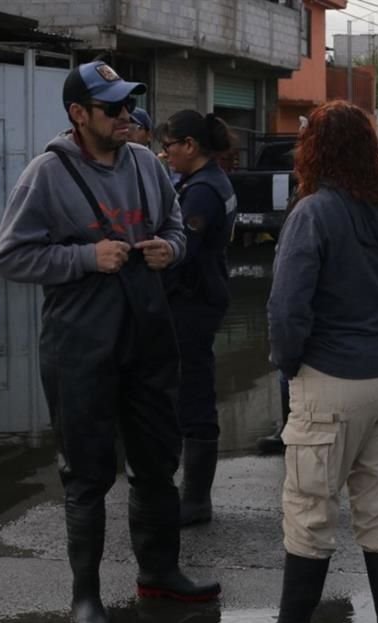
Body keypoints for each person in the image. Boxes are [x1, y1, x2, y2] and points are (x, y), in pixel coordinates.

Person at [0, 61, 220, 623]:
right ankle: (86, 597)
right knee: (87, 473)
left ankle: (160, 572)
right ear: (78, 114)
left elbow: (174, 226)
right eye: (112, 108)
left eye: (127, 106)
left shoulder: (146, 163)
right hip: (79, 341)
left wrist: (172, 249)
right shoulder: (47, 173)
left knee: (157, 461)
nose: (125, 116)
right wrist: (85, 259)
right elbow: (10, 256)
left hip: (147, 333)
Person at [265, 100, 378, 623]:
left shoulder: (312, 212)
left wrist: (290, 369)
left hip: (334, 379)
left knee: (310, 511)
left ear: (313, 151)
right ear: (369, 149)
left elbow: (288, 310)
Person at [158, 110, 238, 527]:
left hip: (193, 300)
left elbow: (182, 251)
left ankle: (195, 501)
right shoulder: (208, 181)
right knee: (189, 389)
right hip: (203, 295)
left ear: (190, 145)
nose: (165, 154)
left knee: (193, 394)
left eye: (169, 146)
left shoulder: (203, 190)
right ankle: (192, 497)